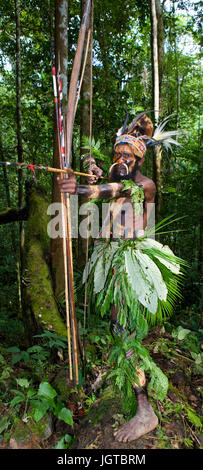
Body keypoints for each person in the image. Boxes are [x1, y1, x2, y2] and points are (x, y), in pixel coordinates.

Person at [58, 113, 184, 442]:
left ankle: (145, 411)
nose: (122, 160)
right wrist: (88, 161)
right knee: (119, 332)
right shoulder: (116, 173)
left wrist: (82, 187)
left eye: (128, 156)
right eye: (118, 155)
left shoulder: (144, 185)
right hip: (116, 261)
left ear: (140, 158)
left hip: (133, 265)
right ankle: (135, 394)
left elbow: (111, 189)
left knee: (126, 338)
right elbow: (104, 176)